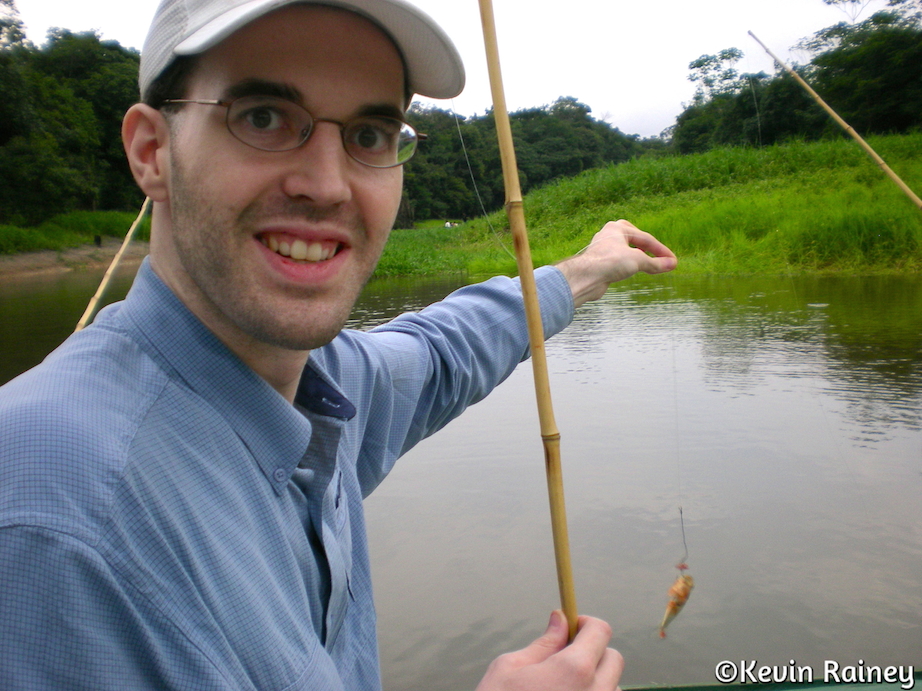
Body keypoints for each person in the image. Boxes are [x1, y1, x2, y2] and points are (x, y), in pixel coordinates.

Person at [0, 0, 676, 688]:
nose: (326, 186)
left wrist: (589, 269)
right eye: (263, 117)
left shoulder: (320, 386)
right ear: (152, 152)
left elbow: (445, 351)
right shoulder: (51, 507)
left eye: (371, 133)